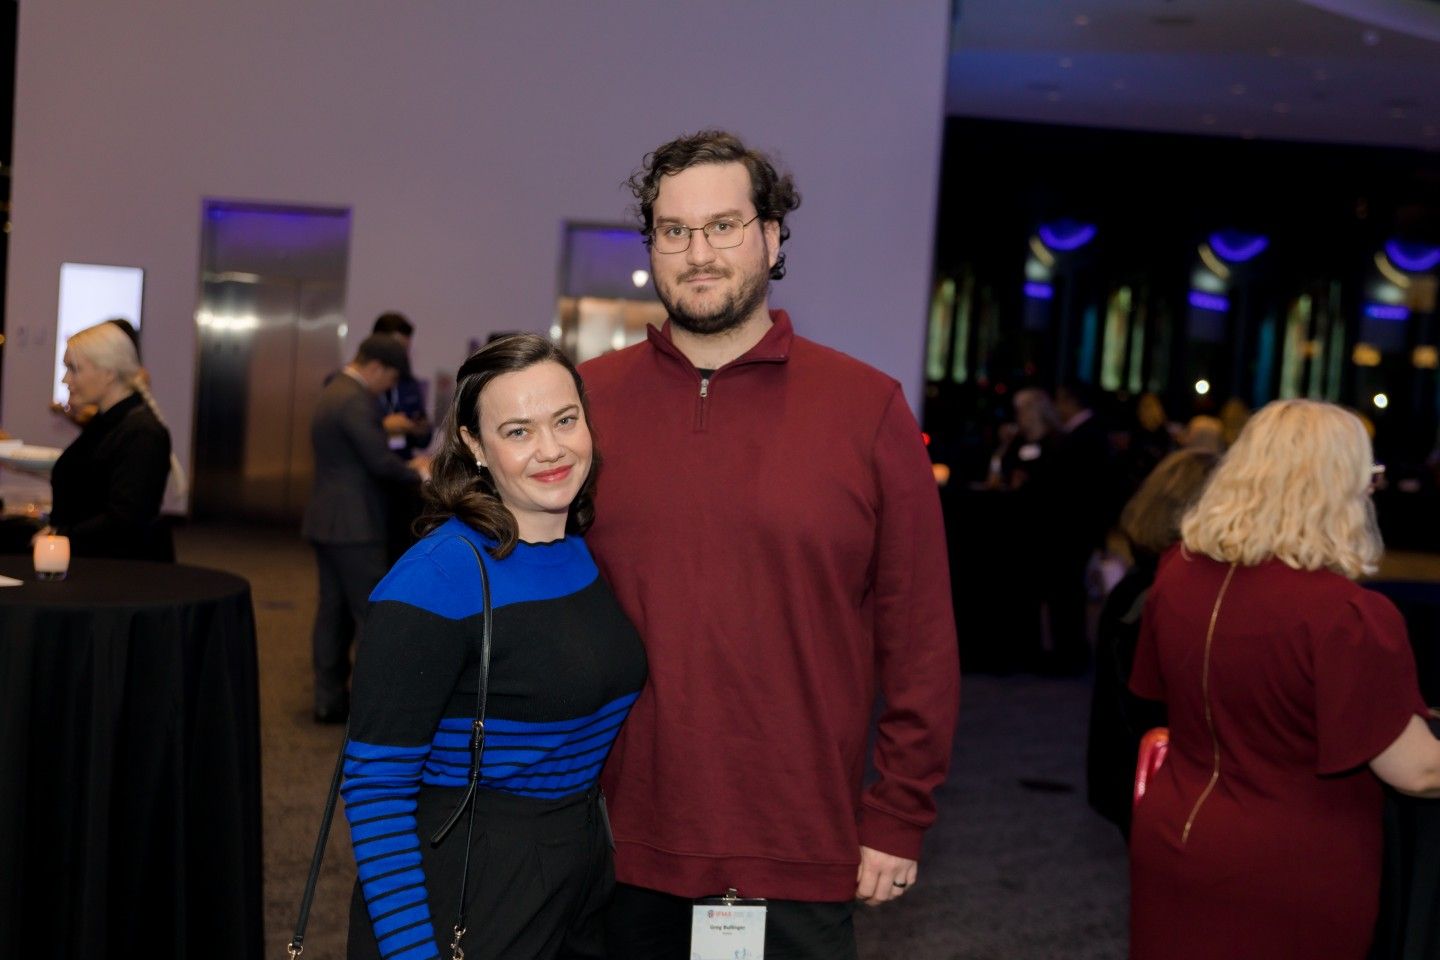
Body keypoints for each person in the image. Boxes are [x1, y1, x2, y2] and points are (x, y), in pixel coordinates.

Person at [581, 129, 960, 959]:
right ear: (652, 246)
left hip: (794, 843)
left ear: (771, 237)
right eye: (674, 230)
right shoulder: (587, 405)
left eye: (724, 225)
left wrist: (899, 810)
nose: (699, 251)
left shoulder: (866, 409)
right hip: (609, 842)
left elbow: (920, 633)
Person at [341, 334, 646, 960]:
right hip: (469, 885)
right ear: (475, 446)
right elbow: (375, 788)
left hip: (574, 871)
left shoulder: (578, 552)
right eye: (517, 431)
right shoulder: (437, 579)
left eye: (566, 420)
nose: (551, 449)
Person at [1128, 399, 1440, 960]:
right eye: (1367, 475)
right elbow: (1416, 771)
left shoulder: (1176, 572)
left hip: (1174, 836)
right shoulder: (1346, 615)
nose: (1373, 489)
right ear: (1333, 487)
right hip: (1292, 869)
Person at [1084, 448, 1218, 838]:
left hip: (1129, 775)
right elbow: (1146, 705)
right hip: (1152, 781)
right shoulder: (1162, 591)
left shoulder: (1143, 582)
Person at [302, 334, 429, 723]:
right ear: (376, 367)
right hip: (354, 524)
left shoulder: (332, 391)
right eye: (389, 380)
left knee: (331, 612)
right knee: (371, 614)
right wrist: (418, 470)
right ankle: (373, 708)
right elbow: (379, 462)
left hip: (326, 518)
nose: (389, 388)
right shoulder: (355, 400)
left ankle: (328, 698)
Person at [44, 320, 180, 560]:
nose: (66, 380)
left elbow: (125, 522)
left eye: (74, 369)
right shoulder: (108, 422)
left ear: (108, 373)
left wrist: (60, 537)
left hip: (116, 577)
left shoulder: (142, 433)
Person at [372, 311, 434, 562]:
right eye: (397, 346)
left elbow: (423, 437)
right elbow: (350, 430)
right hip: (374, 478)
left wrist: (419, 430)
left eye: (406, 348)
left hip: (404, 478)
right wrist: (385, 426)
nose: (402, 354)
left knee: (400, 552)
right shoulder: (357, 386)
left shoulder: (409, 384)